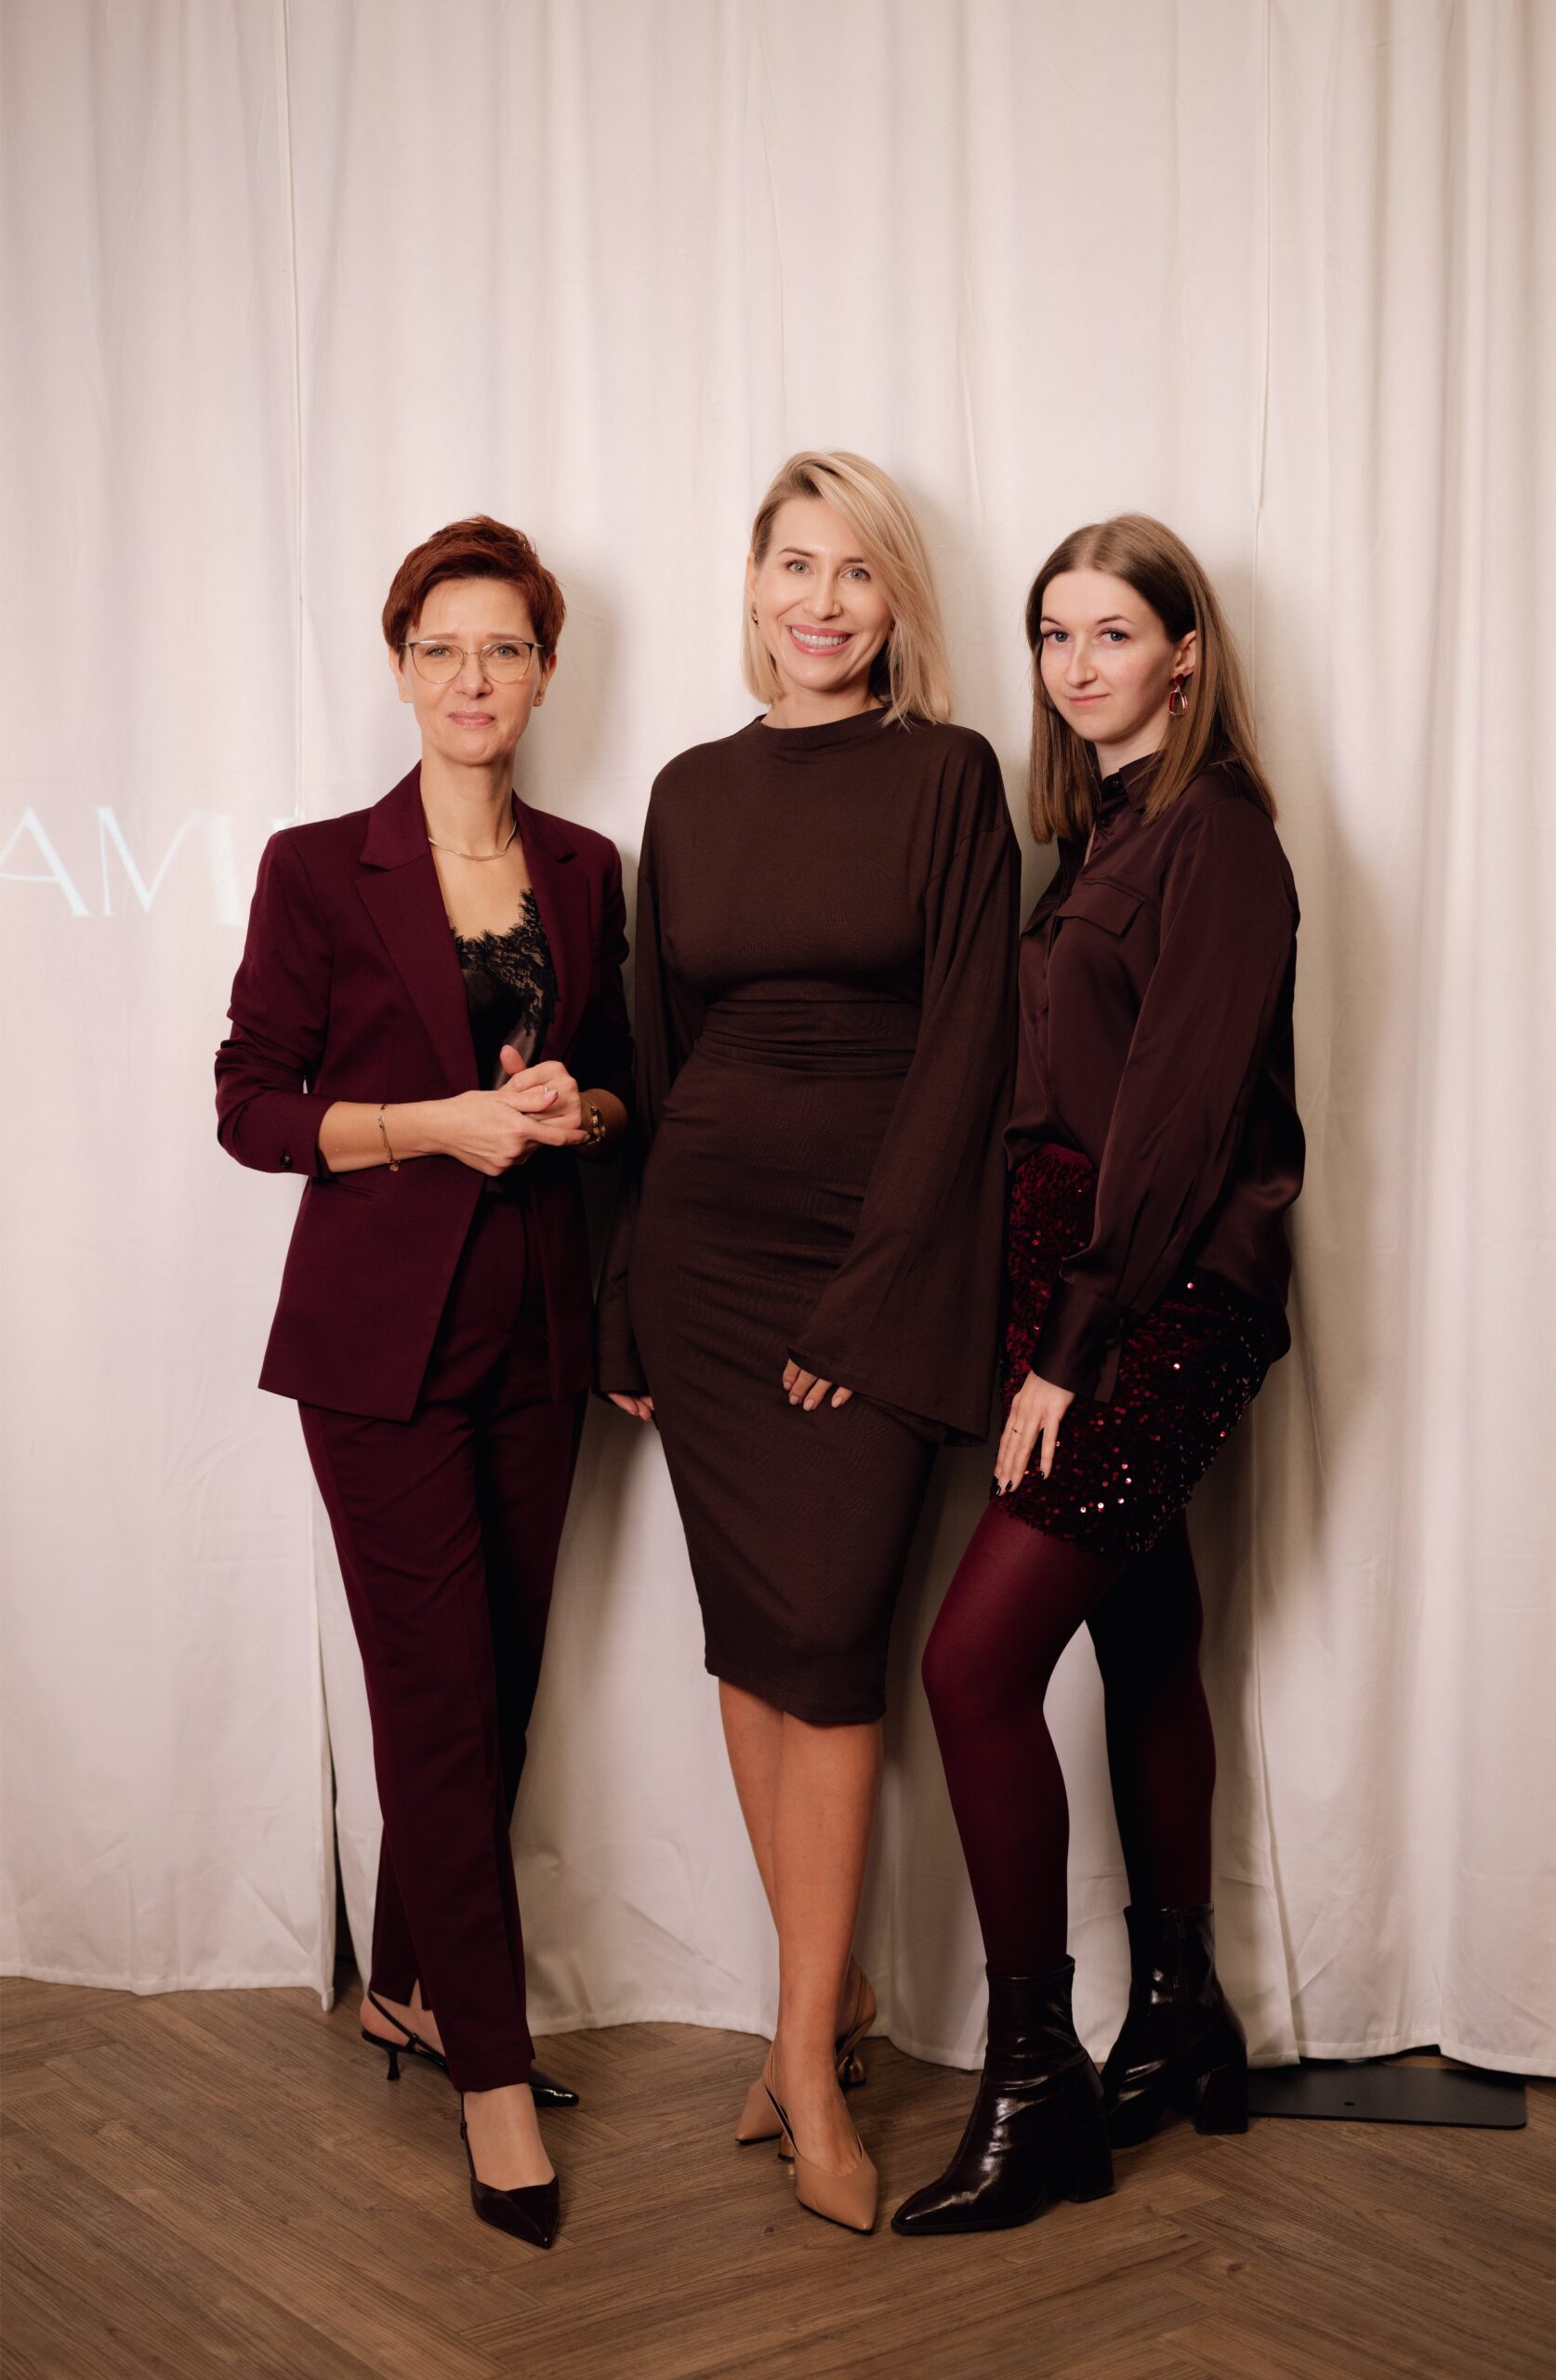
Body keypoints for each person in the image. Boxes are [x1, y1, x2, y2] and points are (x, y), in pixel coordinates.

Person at [599, 451, 1019, 2236]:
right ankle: (814, 2018)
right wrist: (627, 1287)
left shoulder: (950, 776)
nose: (821, 601)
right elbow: (655, 1051)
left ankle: (804, 2055)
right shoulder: (690, 793)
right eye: (794, 565)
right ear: (755, 585)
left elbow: (975, 1051)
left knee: (835, 1647)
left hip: (872, 1261)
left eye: (855, 570)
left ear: (894, 598)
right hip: (702, 1261)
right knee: (757, 1645)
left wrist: (873, 1304)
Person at [216, 516, 633, 2252]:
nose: (474, 678)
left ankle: (405, 1981)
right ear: (400, 668)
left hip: (538, 1340)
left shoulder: (587, 868)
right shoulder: (322, 869)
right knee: (437, 1699)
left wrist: (571, 1109)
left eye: (505, 649)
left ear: (545, 672)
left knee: (503, 1689)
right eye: (443, 648)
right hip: (378, 1353)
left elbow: (620, 1083)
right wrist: (431, 1126)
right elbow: (251, 1105)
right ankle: (490, 2071)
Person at [893, 514, 1303, 2237]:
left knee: (971, 1667)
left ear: (1185, 655)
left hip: (1151, 1297)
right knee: (1144, 1637)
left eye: (1113, 633)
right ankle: (1184, 2018)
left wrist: (1074, 1348)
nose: (1075, 665)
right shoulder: (1106, 832)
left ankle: (1035, 2087)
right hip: (1080, 1281)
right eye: (1052, 635)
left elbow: (1182, 1118)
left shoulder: (1221, 835)